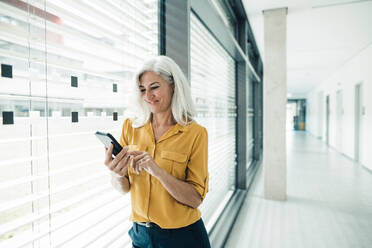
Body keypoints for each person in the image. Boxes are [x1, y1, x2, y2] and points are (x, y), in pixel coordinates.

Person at [104, 56, 211, 248]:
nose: (148, 96)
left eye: (154, 87)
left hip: (183, 238)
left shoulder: (195, 134)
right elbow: (124, 188)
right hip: (141, 235)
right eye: (143, 90)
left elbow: (195, 199)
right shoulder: (131, 126)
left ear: (173, 86)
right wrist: (116, 173)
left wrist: (157, 171)